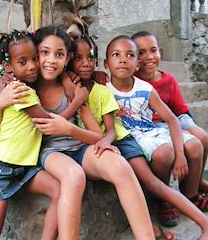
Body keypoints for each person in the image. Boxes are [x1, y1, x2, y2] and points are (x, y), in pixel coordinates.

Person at [66, 35, 208, 240]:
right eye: (78, 59)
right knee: (141, 183)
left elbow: (109, 130)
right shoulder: (95, 86)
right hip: (116, 142)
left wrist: (104, 138)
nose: (85, 63)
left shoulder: (104, 89)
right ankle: (157, 230)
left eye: (89, 58)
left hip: (123, 140)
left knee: (153, 183)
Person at [30, 26, 156, 240]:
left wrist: (70, 128)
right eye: (44, 52)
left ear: (66, 57)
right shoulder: (28, 87)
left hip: (80, 147)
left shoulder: (74, 87)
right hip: (51, 153)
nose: (51, 60)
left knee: (120, 166)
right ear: (35, 54)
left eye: (59, 54)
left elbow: (97, 135)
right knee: (73, 175)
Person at [131, 31, 208, 224]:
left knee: (202, 137)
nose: (149, 57)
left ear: (161, 52)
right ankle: (165, 201)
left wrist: (186, 131)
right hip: (152, 124)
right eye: (141, 52)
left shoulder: (169, 80)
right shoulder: (131, 80)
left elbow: (180, 112)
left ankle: (194, 187)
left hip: (174, 118)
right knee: (174, 149)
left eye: (153, 50)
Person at [0, 30, 65, 240]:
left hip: (25, 169)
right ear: (8, 66)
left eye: (35, 58)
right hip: (2, 169)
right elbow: (48, 121)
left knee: (58, 189)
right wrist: (77, 101)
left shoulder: (21, 86)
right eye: (23, 61)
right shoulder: (19, 91)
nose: (32, 65)